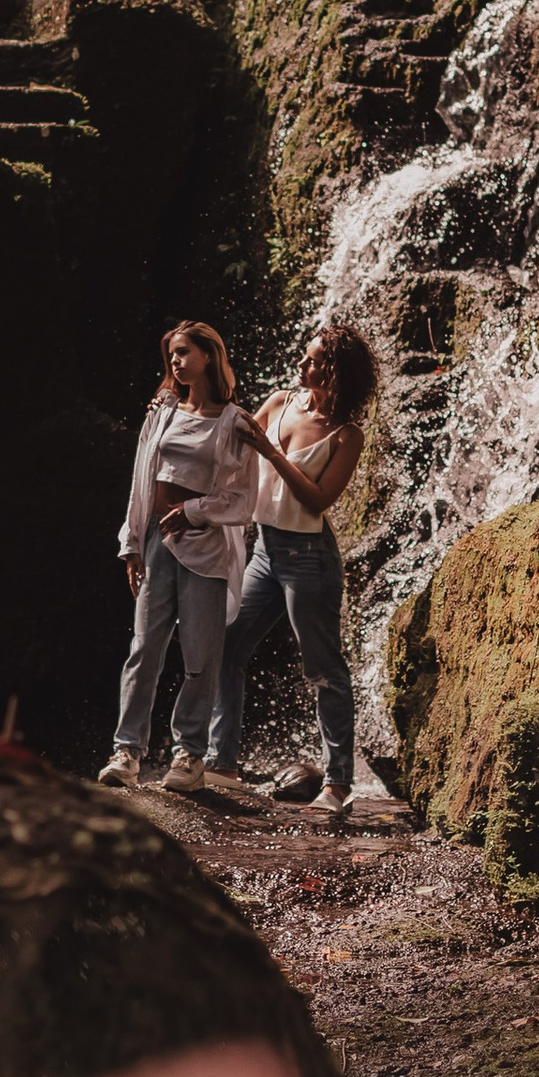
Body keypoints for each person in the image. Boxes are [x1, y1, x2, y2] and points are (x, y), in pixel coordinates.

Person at [207, 323, 376, 819]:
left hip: (309, 558)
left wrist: (270, 452)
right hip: (266, 550)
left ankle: (338, 782)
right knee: (227, 646)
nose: (301, 366)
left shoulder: (347, 435)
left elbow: (319, 498)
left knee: (324, 670)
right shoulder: (282, 402)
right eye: (303, 357)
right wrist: (175, 409)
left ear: (334, 371)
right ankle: (222, 762)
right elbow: (231, 435)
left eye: (312, 360)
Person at [99, 319, 257, 797]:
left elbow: (243, 500)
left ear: (208, 356)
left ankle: (189, 753)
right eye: (171, 354)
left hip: (204, 548)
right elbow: (140, 480)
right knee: (144, 648)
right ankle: (126, 752)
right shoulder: (162, 412)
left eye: (184, 352)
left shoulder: (234, 422)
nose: (175, 361)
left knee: (200, 658)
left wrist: (192, 512)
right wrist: (131, 545)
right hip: (155, 543)